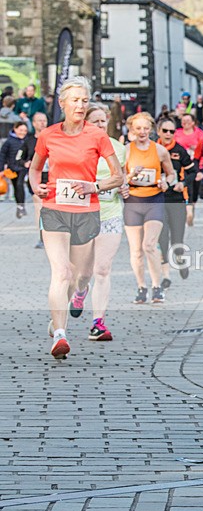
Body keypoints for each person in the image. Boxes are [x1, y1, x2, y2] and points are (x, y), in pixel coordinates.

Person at [27, 76, 124, 359]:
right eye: (75, 100)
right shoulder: (48, 135)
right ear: (62, 103)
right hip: (55, 208)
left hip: (86, 212)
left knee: (80, 276)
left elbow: (118, 176)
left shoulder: (97, 136)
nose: (80, 105)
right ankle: (60, 335)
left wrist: (94, 186)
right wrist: (36, 186)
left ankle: (60, 314)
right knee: (62, 272)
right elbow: (35, 169)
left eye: (84, 100)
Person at [69, 103, 129, 340]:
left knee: (102, 269)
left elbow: (121, 176)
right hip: (83, 215)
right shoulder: (75, 147)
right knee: (83, 273)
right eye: (95, 121)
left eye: (103, 121)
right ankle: (80, 291)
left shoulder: (117, 148)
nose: (101, 125)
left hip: (110, 214)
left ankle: (98, 323)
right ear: (85, 123)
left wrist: (123, 187)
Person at [123, 112, 175, 304]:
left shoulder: (160, 150)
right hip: (133, 201)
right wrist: (130, 176)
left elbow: (171, 174)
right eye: (138, 128)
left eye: (146, 128)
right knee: (136, 250)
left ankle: (156, 286)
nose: (142, 132)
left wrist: (166, 182)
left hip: (154, 199)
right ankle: (141, 287)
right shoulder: (126, 151)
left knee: (149, 245)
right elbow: (119, 178)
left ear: (151, 129)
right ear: (132, 130)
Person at [157, 117, 195, 287]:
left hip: (176, 200)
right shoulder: (152, 149)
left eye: (172, 131)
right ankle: (166, 276)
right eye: (165, 131)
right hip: (157, 200)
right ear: (158, 132)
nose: (168, 134)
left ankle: (179, 258)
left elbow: (193, 172)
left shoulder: (180, 151)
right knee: (162, 238)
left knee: (177, 239)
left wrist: (183, 183)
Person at [22, 112, 49, 248]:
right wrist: (25, 163)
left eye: (44, 120)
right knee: (39, 207)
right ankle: (42, 237)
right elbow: (19, 158)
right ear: (33, 123)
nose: (42, 123)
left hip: (52, 177)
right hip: (36, 179)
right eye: (39, 120)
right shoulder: (29, 141)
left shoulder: (53, 139)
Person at [174, 113, 203, 226]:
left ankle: (192, 208)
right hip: (181, 165)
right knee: (186, 187)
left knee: (195, 190)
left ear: (193, 122)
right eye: (183, 121)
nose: (185, 123)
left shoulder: (199, 133)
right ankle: (188, 210)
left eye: (188, 121)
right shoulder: (177, 133)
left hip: (195, 164)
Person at [0, 121, 28, 217]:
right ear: (15, 129)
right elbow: (2, 155)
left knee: (20, 184)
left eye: (25, 130)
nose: (23, 132)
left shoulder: (27, 140)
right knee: (16, 187)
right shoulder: (9, 142)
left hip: (23, 167)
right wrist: (1, 169)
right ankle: (19, 206)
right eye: (21, 130)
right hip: (12, 169)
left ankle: (21, 206)